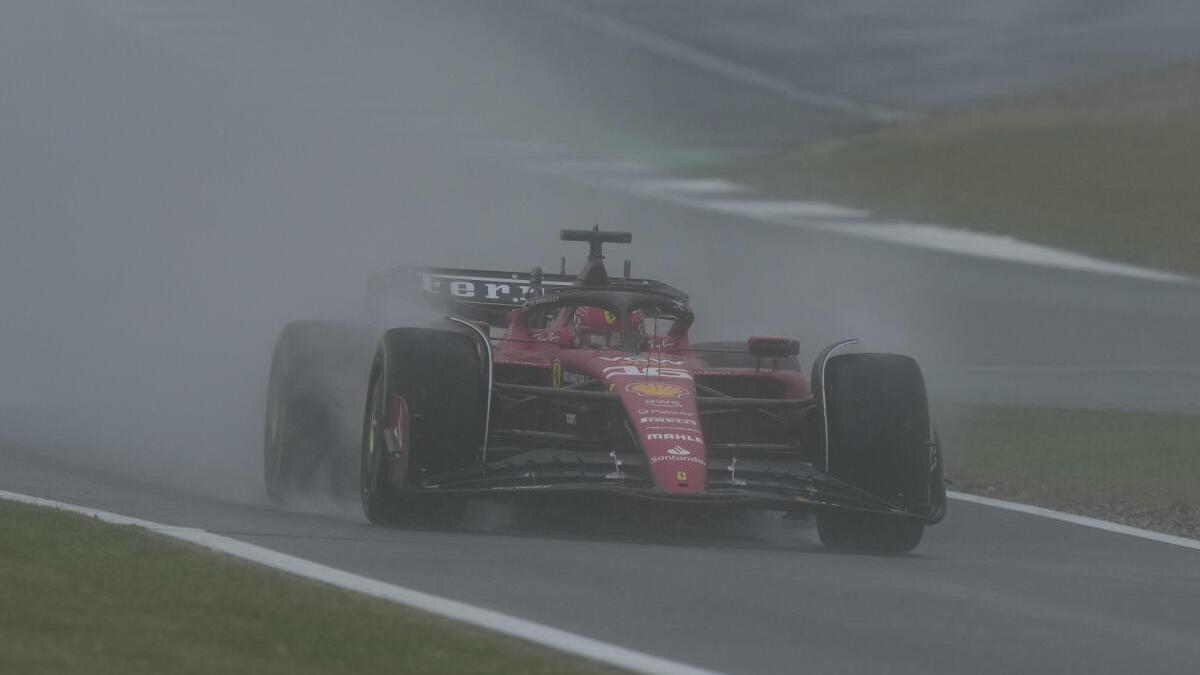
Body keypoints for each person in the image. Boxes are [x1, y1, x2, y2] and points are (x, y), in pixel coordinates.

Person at [571, 306, 643, 350]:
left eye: (618, 340)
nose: (606, 349)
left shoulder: (634, 314)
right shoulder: (584, 311)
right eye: (598, 339)